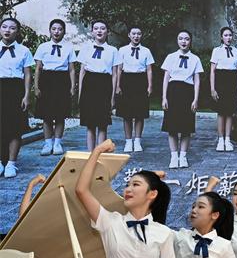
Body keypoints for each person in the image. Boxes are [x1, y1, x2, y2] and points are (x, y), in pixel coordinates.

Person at [34, 18, 76, 156]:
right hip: (46, 80)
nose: (57, 32)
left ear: (64, 31)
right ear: (50, 31)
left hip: (62, 80)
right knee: (46, 115)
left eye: (60, 29)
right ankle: (47, 143)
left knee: (60, 114)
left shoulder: (69, 48)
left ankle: (57, 142)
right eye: (54, 29)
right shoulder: (43, 47)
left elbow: (71, 69)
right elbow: (38, 68)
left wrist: (72, 86)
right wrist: (36, 86)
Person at [161, 30, 203, 169]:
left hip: (187, 93)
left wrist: (195, 99)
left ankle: (183, 156)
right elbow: (166, 78)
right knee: (172, 127)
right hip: (173, 92)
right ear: (177, 40)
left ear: (190, 41)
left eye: (186, 39)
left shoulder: (195, 59)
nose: (183, 41)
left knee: (186, 127)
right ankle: (174, 156)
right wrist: (164, 97)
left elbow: (197, 80)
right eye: (181, 38)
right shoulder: (171, 57)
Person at [78, 20, 121, 151]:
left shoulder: (113, 50)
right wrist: (80, 92)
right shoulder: (86, 48)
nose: (99, 31)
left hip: (104, 84)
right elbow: (82, 72)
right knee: (90, 123)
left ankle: (100, 154)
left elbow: (114, 74)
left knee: (102, 123)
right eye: (96, 28)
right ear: (92, 32)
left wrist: (112, 96)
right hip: (89, 83)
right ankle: (91, 154)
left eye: (102, 28)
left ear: (107, 32)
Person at [0, 17, 34, 177]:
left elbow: (27, 74)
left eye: (12, 28)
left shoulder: (24, 51)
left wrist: (27, 95)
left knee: (15, 127)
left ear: (17, 31)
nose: (7, 30)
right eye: (4, 26)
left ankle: (11, 163)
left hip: (15, 90)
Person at [116, 25, 154, 153]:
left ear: (141, 35)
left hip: (140, 80)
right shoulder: (122, 50)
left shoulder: (146, 51)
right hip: (126, 80)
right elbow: (119, 69)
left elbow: (149, 70)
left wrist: (149, 85)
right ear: (129, 35)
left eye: (138, 34)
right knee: (126, 114)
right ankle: (128, 141)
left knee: (139, 113)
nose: (136, 36)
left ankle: (137, 141)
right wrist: (118, 85)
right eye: (133, 34)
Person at [210, 26, 237, 152]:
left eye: (230, 35)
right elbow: (212, 71)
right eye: (225, 35)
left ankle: (228, 139)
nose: (228, 38)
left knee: (229, 112)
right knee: (221, 112)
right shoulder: (216, 51)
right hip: (220, 82)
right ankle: (220, 139)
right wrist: (213, 88)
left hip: (232, 82)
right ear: (221, 37)